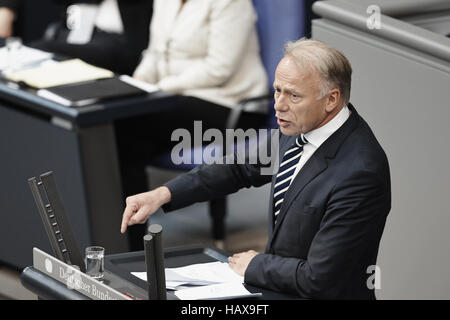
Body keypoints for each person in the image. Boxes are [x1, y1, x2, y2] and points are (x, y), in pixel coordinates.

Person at [119, 38, 392, 299]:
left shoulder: (359, 173)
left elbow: (319, 277)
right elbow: (238, 167)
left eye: (293, 95)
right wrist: (163, 194)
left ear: (331, 99)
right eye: (277, 90)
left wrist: (255, 265)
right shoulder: (300, 125)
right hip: (278, 288)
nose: (279, 105)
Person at [115, 0, 269, 250]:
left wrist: (162, 88)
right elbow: (154, 53)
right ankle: (124, 234)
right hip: (171, 97)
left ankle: (132, 243)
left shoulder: (231, 2)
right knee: (121, 130)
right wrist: (139, 82)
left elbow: (219, 68)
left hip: (228, 103)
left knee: (129, 130)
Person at [0, 0, 153, 75]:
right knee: (23, 58)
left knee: (41, 51)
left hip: (119, 41)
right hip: (74, 30)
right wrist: (7, 7)